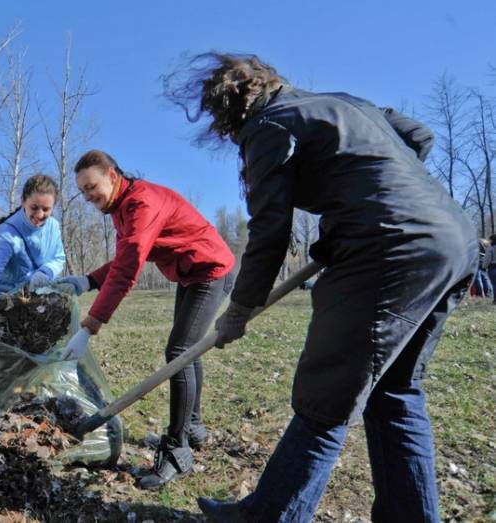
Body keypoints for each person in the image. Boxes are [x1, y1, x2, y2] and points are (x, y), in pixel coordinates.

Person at [163, 52, 477, 522]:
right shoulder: (341, 103)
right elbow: (419, 136)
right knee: (394, 392)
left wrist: (238, 310)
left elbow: (270, 231)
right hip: (454, 239)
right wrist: (365, 202)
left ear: (230, 109)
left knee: (326, 394)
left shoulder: (267, 126)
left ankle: (268, 517)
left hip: (387, 253)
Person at [56, 150, 235, 489]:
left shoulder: (141, 204)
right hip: (191, 275)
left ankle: (177, 451)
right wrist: (88, 281)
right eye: (82, 191)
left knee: (179, 353)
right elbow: (126, 255)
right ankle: (193, 427)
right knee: (188, 351)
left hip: (210, 271)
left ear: (111, 174)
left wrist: (89, 327)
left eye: (91, 186)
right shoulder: (121, 207)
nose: (88, 196)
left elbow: (128, 268)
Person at [0, 174, 66, 312]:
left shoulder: (54, 227)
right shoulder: (7, 234)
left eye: (46, 209)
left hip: (37, 301)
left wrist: (46, 271)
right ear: (23, 201)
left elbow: (59, 258)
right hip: (5, 305)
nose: (39, 215)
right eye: (34, 207)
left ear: (53, 207)